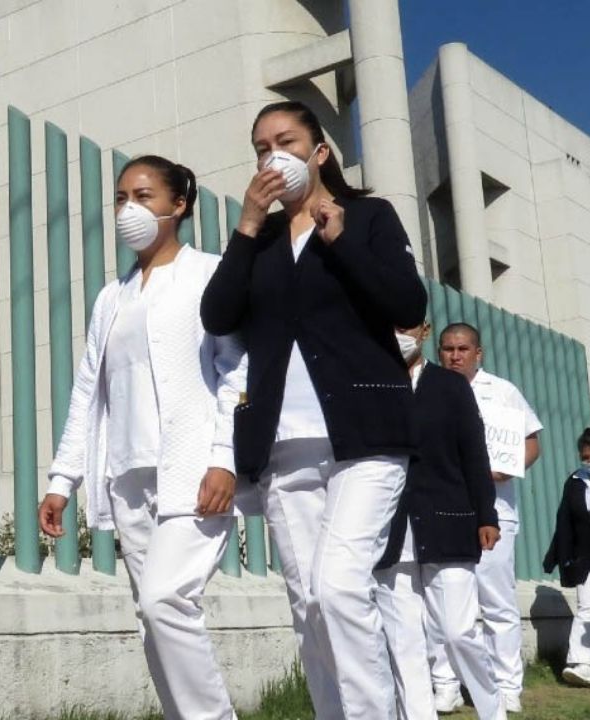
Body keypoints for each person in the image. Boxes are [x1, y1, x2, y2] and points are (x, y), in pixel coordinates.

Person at [200, 100, 427, 719]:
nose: (273, 155)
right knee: (307, 604)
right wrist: (248, 224)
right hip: (282, 446)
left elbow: (407, 302)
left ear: (320, 152)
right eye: (260, 146)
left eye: (287, 140)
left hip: (367, 437)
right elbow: (217, 315)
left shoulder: (368, 216)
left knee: (339, 588)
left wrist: (342, 239)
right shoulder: (262, 240)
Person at [38, 155, 248, 719]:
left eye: (145, 195)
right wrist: (63, 479)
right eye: (122, 197)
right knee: (151, 618)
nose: (130, 207)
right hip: (127, 476)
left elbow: (237, 370)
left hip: (194, 470)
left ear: (179, 205)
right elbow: (89, 390)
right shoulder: (112, 298)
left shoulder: (210, 273)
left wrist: (225, 459)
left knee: (165, 602)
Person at [373, 321, 505, 720]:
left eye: (405, 326)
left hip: (448, 522)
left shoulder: (449, 386)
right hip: (392, 530)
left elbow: (474, 454)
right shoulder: (375, 385)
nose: (397, 334)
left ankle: (492, 709)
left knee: (456, 631)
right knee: (404, 640)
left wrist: (487, 514)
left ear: (423, 331)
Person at [435, 322, 542, 713]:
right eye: (448, 349)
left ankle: (506, 684)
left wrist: (508, 468)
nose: (455, 356)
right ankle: (445, 681)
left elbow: (531, 442)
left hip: (495, 510)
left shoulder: (502, 391)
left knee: (495, 601)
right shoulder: (430, 389)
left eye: (463, 349)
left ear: (478, 353)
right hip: (445, 509)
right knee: (444, 601)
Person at [543, 427, 590, 689]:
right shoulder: (574, 481)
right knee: (586, 608)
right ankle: (582, 665)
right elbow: (564, 521)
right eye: (586, 457)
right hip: (585, 559)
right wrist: (557, 556)